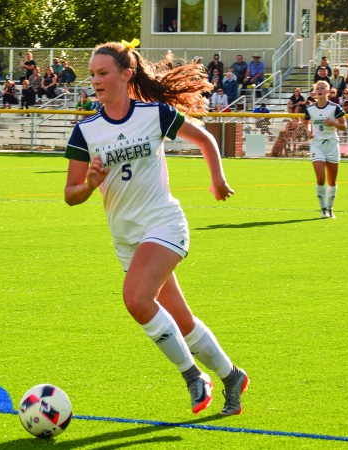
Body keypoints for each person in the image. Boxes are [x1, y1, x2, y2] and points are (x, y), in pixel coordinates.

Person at [62, 40, 245, 416]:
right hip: (127, 239)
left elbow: (206, 139)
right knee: (181, 320)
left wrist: (217, 179)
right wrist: (91, 185)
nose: (95, 80)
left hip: (164, 224)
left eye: (103, 73)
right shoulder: (86, 132)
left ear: (126, 75)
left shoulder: (154, 114)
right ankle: (232, 376)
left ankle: (194, 376)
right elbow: (70, 194)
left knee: (136, 300)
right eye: (92, 74)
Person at [302, 80, 347, 219]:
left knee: (332, 180)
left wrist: (333, 123)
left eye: (323, 88)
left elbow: (344, 125)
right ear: (315, 92)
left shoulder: (335, 108)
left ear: (328, 92)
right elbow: (307, 123)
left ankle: (330, 208)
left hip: (332, 144)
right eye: (317, 88)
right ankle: (322, 208)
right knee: (321, 177)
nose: (320, 90)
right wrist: (308, 131)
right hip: (317, 144)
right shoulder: (310, 109)